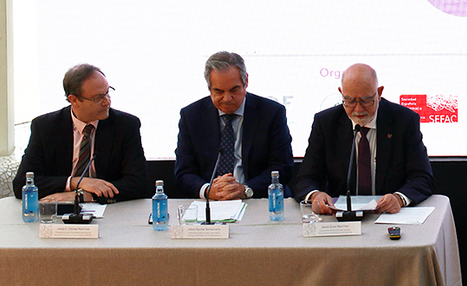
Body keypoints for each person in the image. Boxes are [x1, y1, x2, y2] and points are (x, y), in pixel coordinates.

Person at [293, 63, 433, 214]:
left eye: (366, 100)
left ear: (379, 93)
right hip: (340, 216)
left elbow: (422, 177)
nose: (358, 109)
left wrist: (399, 198)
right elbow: (305, 179)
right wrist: (315, 196)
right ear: (341, 93)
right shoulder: (326, 123)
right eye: (350, 101)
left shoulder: (404, 120)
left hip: (387, 214)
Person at [12, 64, 148, 202]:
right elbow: (22, 184)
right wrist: (75, 182)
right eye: (98, 97)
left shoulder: (125, 125)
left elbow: (139, 184)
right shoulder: (45, 127)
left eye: (107, 92)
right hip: (58, 207)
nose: (107, 102)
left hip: (109, 208)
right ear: (74, 100)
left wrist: (86, 196)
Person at [174, 51, 293, 200]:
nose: (227, 98)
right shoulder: (192, 116)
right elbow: (184, 172)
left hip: (257, 199)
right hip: (211, 202)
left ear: (246, 81)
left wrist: (246, 190)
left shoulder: (271, 113)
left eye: (234, 90)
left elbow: (282, 167)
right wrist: (208, 190)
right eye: (218, 91)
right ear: (209, 88)